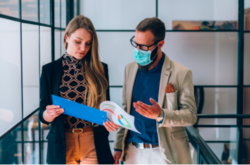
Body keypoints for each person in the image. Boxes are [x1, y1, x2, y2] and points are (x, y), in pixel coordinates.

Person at [113, 17, 197, 164]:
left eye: (144, 47)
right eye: (136, 44)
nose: (138, 50)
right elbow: (126, 110)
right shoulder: (130, 69)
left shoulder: (181, 73)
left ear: (160, 44)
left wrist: (162, 115)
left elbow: (190, 116)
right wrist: (117, 147)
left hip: (164, 153)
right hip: (131, 153)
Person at [39, 15, 119, 164]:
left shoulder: (101, 69)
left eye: (88, 43)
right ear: (67, 37)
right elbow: (42, 112)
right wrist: (47, 115)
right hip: (62, 143)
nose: (83, 48)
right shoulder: (49, 70)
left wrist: (110, 120)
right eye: (78, 42)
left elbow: (105, 109)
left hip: (92, 142)